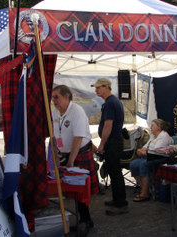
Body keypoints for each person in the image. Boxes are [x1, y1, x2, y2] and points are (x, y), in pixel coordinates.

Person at [51, 85, 99, 235]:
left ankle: (85, 221)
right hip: (65, 154)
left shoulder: (76, 111)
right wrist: (56, 156)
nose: (53, 100)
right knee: (70, 189)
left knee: (80, 190)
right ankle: (83, 219)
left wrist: (71, 161)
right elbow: (55, 136)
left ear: (66, 97)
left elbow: (78, 138)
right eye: (52, 97)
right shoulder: (54, 112)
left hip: (79, 154)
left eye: (56, 97)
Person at [91, 78, 128, 216]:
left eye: (98, 87)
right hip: (114, 141)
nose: (96, 90)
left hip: (113, 142)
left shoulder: (110, 103)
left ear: (106, 87)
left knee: (115, 172)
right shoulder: (113, 101)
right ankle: (117, 199)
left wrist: (101, 144)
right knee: (114, 172)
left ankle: (121, 204)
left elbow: (108, 125)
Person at [129, 119, 174, 202]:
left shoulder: (163, 136)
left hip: (160, 158)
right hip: (150, 157)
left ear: (159, 127)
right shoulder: (153, 136)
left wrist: (144, 152)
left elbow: (157, 151)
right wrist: (142, 151)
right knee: (133, 164)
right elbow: (145, 147)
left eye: (153, 125)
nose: (151, 127)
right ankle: (145, 187)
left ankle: (144, 193)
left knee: (143, 164)